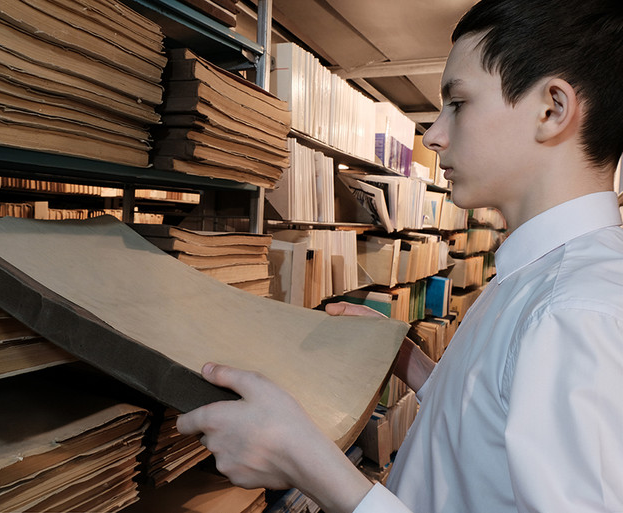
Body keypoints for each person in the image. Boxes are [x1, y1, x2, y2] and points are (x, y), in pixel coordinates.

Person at [177, 0, 623, 511]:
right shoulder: (541, 279)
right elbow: (492, 440)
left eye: (458, 102)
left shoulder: (576, 312)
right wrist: (409, 362)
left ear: (553, 110)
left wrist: (312, 467)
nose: (433, 135)